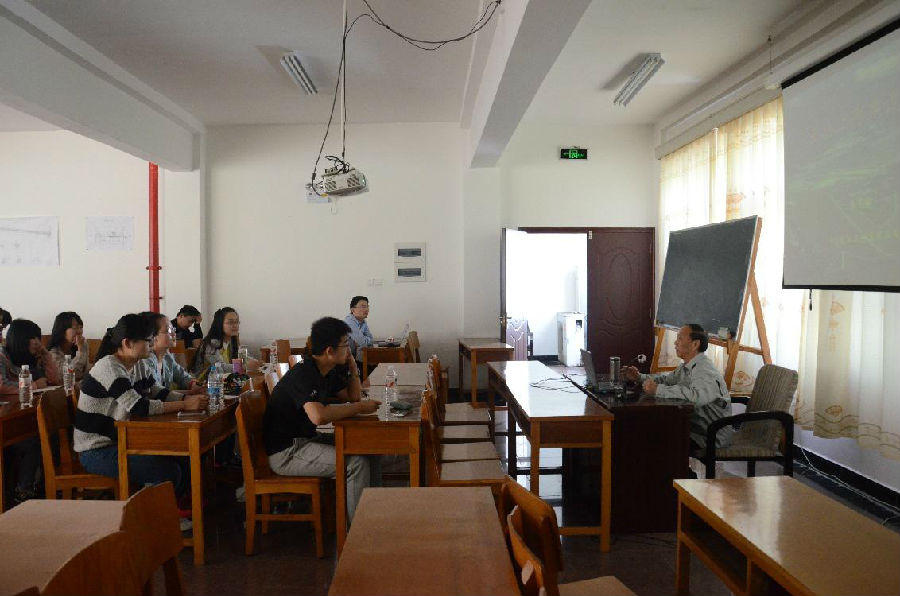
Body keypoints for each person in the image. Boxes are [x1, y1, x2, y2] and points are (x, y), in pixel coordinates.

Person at [74, 314, 207, 529]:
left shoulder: (138, 364)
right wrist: (184, 405)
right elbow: (139, 406)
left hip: (124, 441)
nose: (152, 343)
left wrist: (190, 398)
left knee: (183, 457)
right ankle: (153, 522)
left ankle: (163, 512)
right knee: (167, 470)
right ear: (127, 343)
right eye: (148, 339)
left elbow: (159, 393)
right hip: (97, 450)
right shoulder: (109, 367)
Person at [263, 316, 380, 522]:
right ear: (329, 351)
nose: (349, 350)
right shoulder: (304, 373)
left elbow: (353, 396)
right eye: (345, 345)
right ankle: (359, 529)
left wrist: (353, 368)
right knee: (356, 464)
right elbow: (319, 416)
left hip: (307, 440)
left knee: (369, 447)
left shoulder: (326, 370)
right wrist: (359, 408)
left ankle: (373, 514)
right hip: (287, 452)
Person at [623, 323, 732, 450]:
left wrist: (658, 389)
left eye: (680, 338)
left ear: (695, 344)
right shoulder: (686, 366)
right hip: (694, 428)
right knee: (648, 428)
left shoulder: (704, 369)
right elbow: (666, 380)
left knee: (652, 436)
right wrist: (639, 377)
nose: (675, 343)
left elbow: (696, 397)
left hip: (709, 436)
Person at [0, 318, 60, 502]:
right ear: (19, 339)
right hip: (7, 417)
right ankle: (24, 490)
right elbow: (2, 385)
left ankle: (47, 485)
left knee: (52, 433)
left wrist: (45, 354)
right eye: (31, 338)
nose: (36, 342)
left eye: (38, 337)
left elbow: (54, 379)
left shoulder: (31, 358)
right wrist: (33, 385)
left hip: (24, 412)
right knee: (33, 440)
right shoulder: (2, 356)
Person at [143, 313, 204, 396]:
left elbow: (183, 376)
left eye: (173, 329)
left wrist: (194, 385)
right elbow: (155, 393)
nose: (173, 333)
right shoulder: (146, 360)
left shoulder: (167, 356)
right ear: (152, 336)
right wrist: (189, 394)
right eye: (168, 330)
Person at [192, 306, 252, 382]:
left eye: (237, 322)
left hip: (224, 380)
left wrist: (258, 364)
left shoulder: (231, 341)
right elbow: (220, 367)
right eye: (230, 322)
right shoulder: (211, 344)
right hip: (206, 383)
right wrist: (243, 367)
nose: (235, 325)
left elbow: (244, 357)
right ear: (219, 324)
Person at [47, 311, 90, 383]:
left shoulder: (83, 344)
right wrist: (80, 351)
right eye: (75, 328)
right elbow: (67, 376)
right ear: (62, 330)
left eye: (81, 327)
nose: (79, 331)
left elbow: (85, 372)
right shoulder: (53, 352)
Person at [344, 296, 373, 366]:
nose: (366, 309)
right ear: (352, 310)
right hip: (344, 360)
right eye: (363, 307)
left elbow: (371, 339)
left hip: (354, 358)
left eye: (367, 306)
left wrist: (363, 340)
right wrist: (363, 340)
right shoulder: (349, 322)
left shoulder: (363, 321)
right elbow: (362, 342)